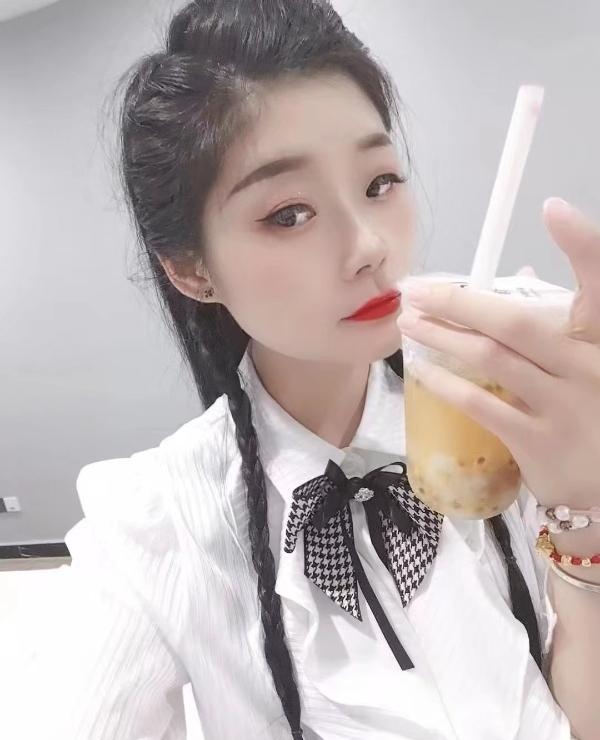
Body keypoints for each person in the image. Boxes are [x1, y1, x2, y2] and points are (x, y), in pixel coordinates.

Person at [19, 1, 600, 739]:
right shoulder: (159, 525)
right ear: (192, 270)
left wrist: (585, 510)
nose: (369, 246)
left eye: (379, 182)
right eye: (289, 213)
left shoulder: (497, 403)